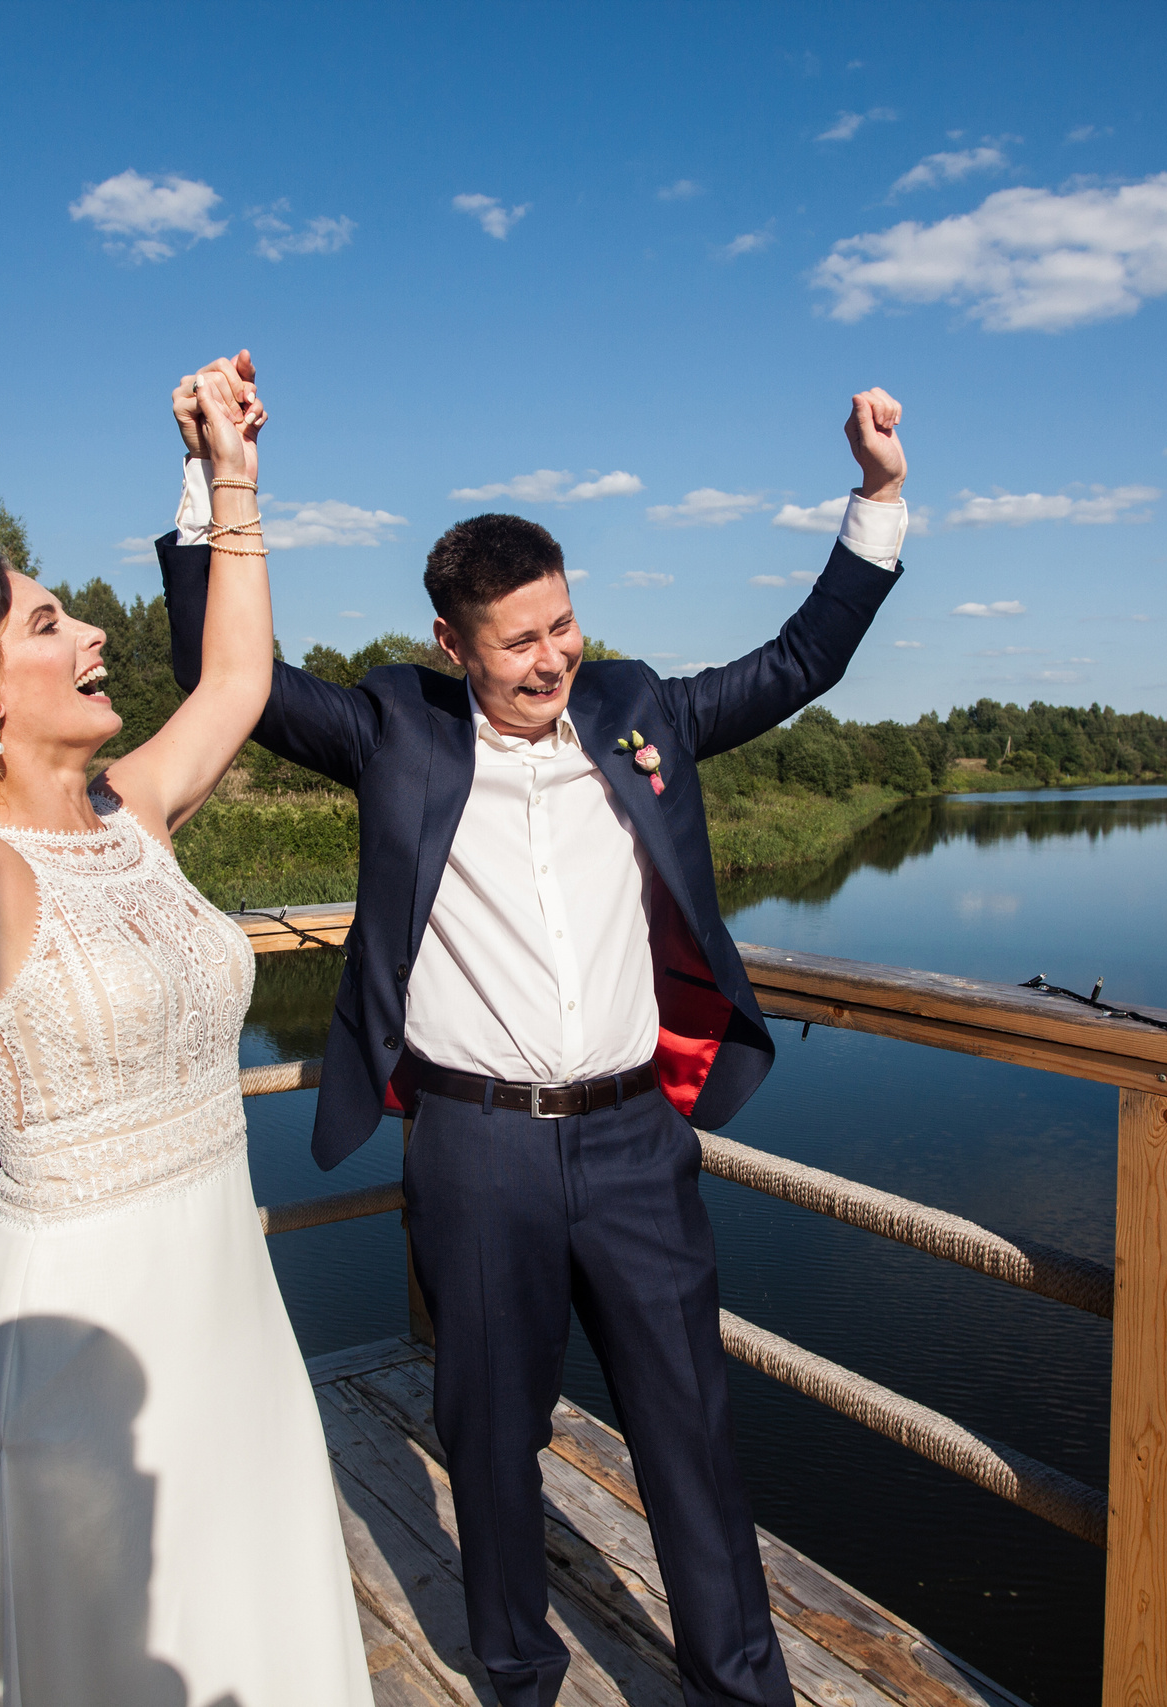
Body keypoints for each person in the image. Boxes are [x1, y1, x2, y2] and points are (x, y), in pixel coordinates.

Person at [160, 384, 912, 1706]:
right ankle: (516, 1676)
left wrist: (879, 500)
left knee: (689, 1432)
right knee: (490, 1439)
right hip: (475, 1145)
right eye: (519, 642)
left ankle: (743, 1687)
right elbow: (229, 683)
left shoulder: (640, 712)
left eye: (563, 623)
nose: (553, 655)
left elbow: (801, 664)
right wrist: (206, 489)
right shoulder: (394, 727)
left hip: (635, 1140)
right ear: (454, 645)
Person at [0, 350, 371, 1706]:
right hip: (82, 1317)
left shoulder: (133, 810)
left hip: (223, 1278)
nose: (95, 636)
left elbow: (236, 679)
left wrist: (232, 474)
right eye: (51, 622)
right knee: (110, 1636)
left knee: (249, 1601)